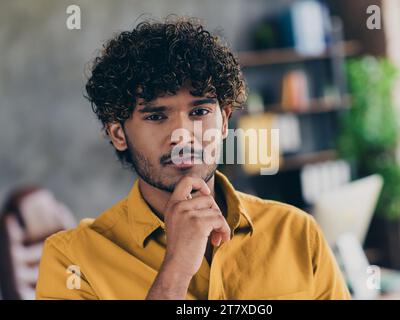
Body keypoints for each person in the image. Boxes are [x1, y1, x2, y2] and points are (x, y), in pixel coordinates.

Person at [36, 16, 350, 300]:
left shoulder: (296, 233)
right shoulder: (72, 259)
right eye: (157, 116)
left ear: (225, 122)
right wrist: (176, 269)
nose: (183, 135)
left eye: (199, 112)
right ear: (118, 134)